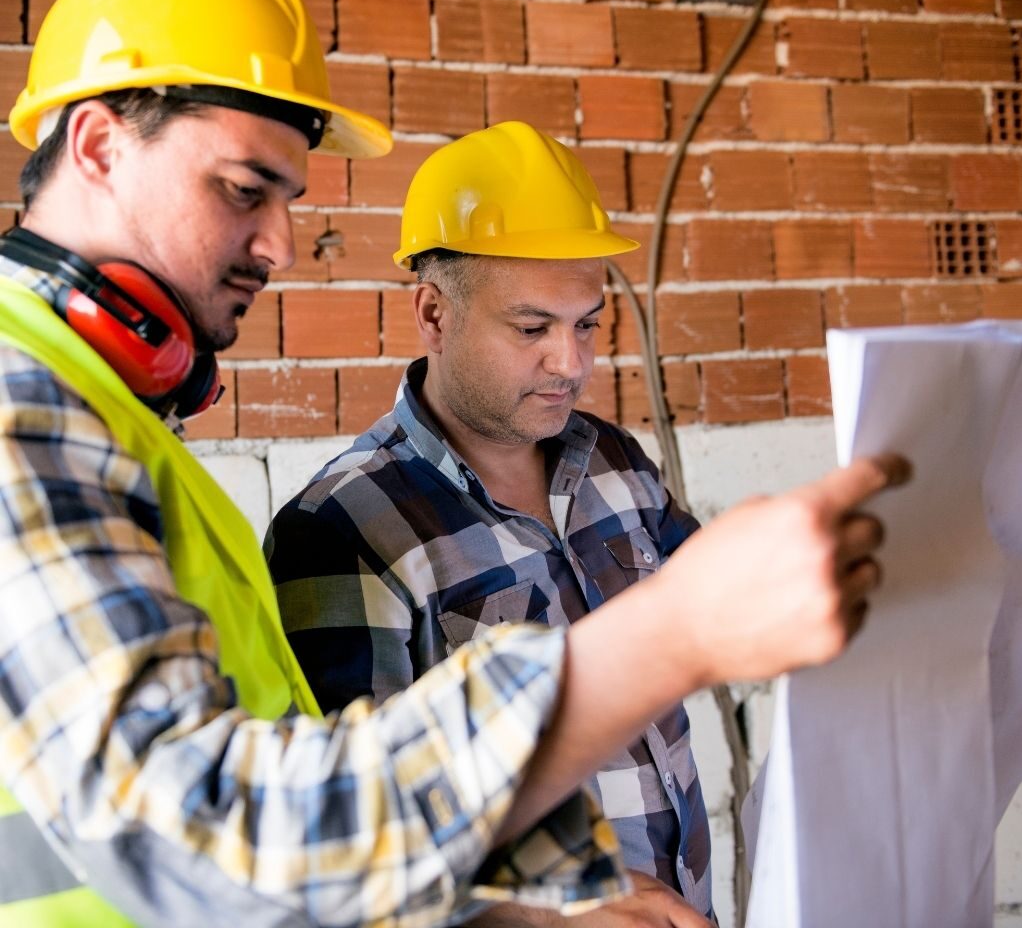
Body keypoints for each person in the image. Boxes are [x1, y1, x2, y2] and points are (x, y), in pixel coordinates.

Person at [0, 0, 908, 928]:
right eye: (241, 188)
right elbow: (205, 832)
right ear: (95, 144)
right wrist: (670, 633)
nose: (279, 246)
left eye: (286, 200)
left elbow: (304, 801)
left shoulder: (114, 412)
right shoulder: (24, 400)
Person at [262, 122, 897, 926]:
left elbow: (731, 613)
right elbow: (341, 850)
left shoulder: (614, 461)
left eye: (588, 323)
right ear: (432, 313)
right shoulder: (344, 528)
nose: (571, 362)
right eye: (532, 329)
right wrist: (542, 914)